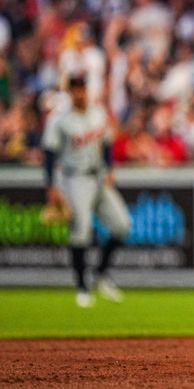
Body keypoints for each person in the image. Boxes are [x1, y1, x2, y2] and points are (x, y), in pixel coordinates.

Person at [42, 74, 131, 308]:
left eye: (83, 88)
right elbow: (49, 154)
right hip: (75, 179)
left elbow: (108, 143)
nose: (80, 92)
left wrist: (110, 168)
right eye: (76, 89)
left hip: (99, 176)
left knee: (122, 225)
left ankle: (101, 275)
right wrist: (51, 186)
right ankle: (82, 287)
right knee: (80, 231)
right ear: (70, 92)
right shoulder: (59, 119)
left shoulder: (97, 113)